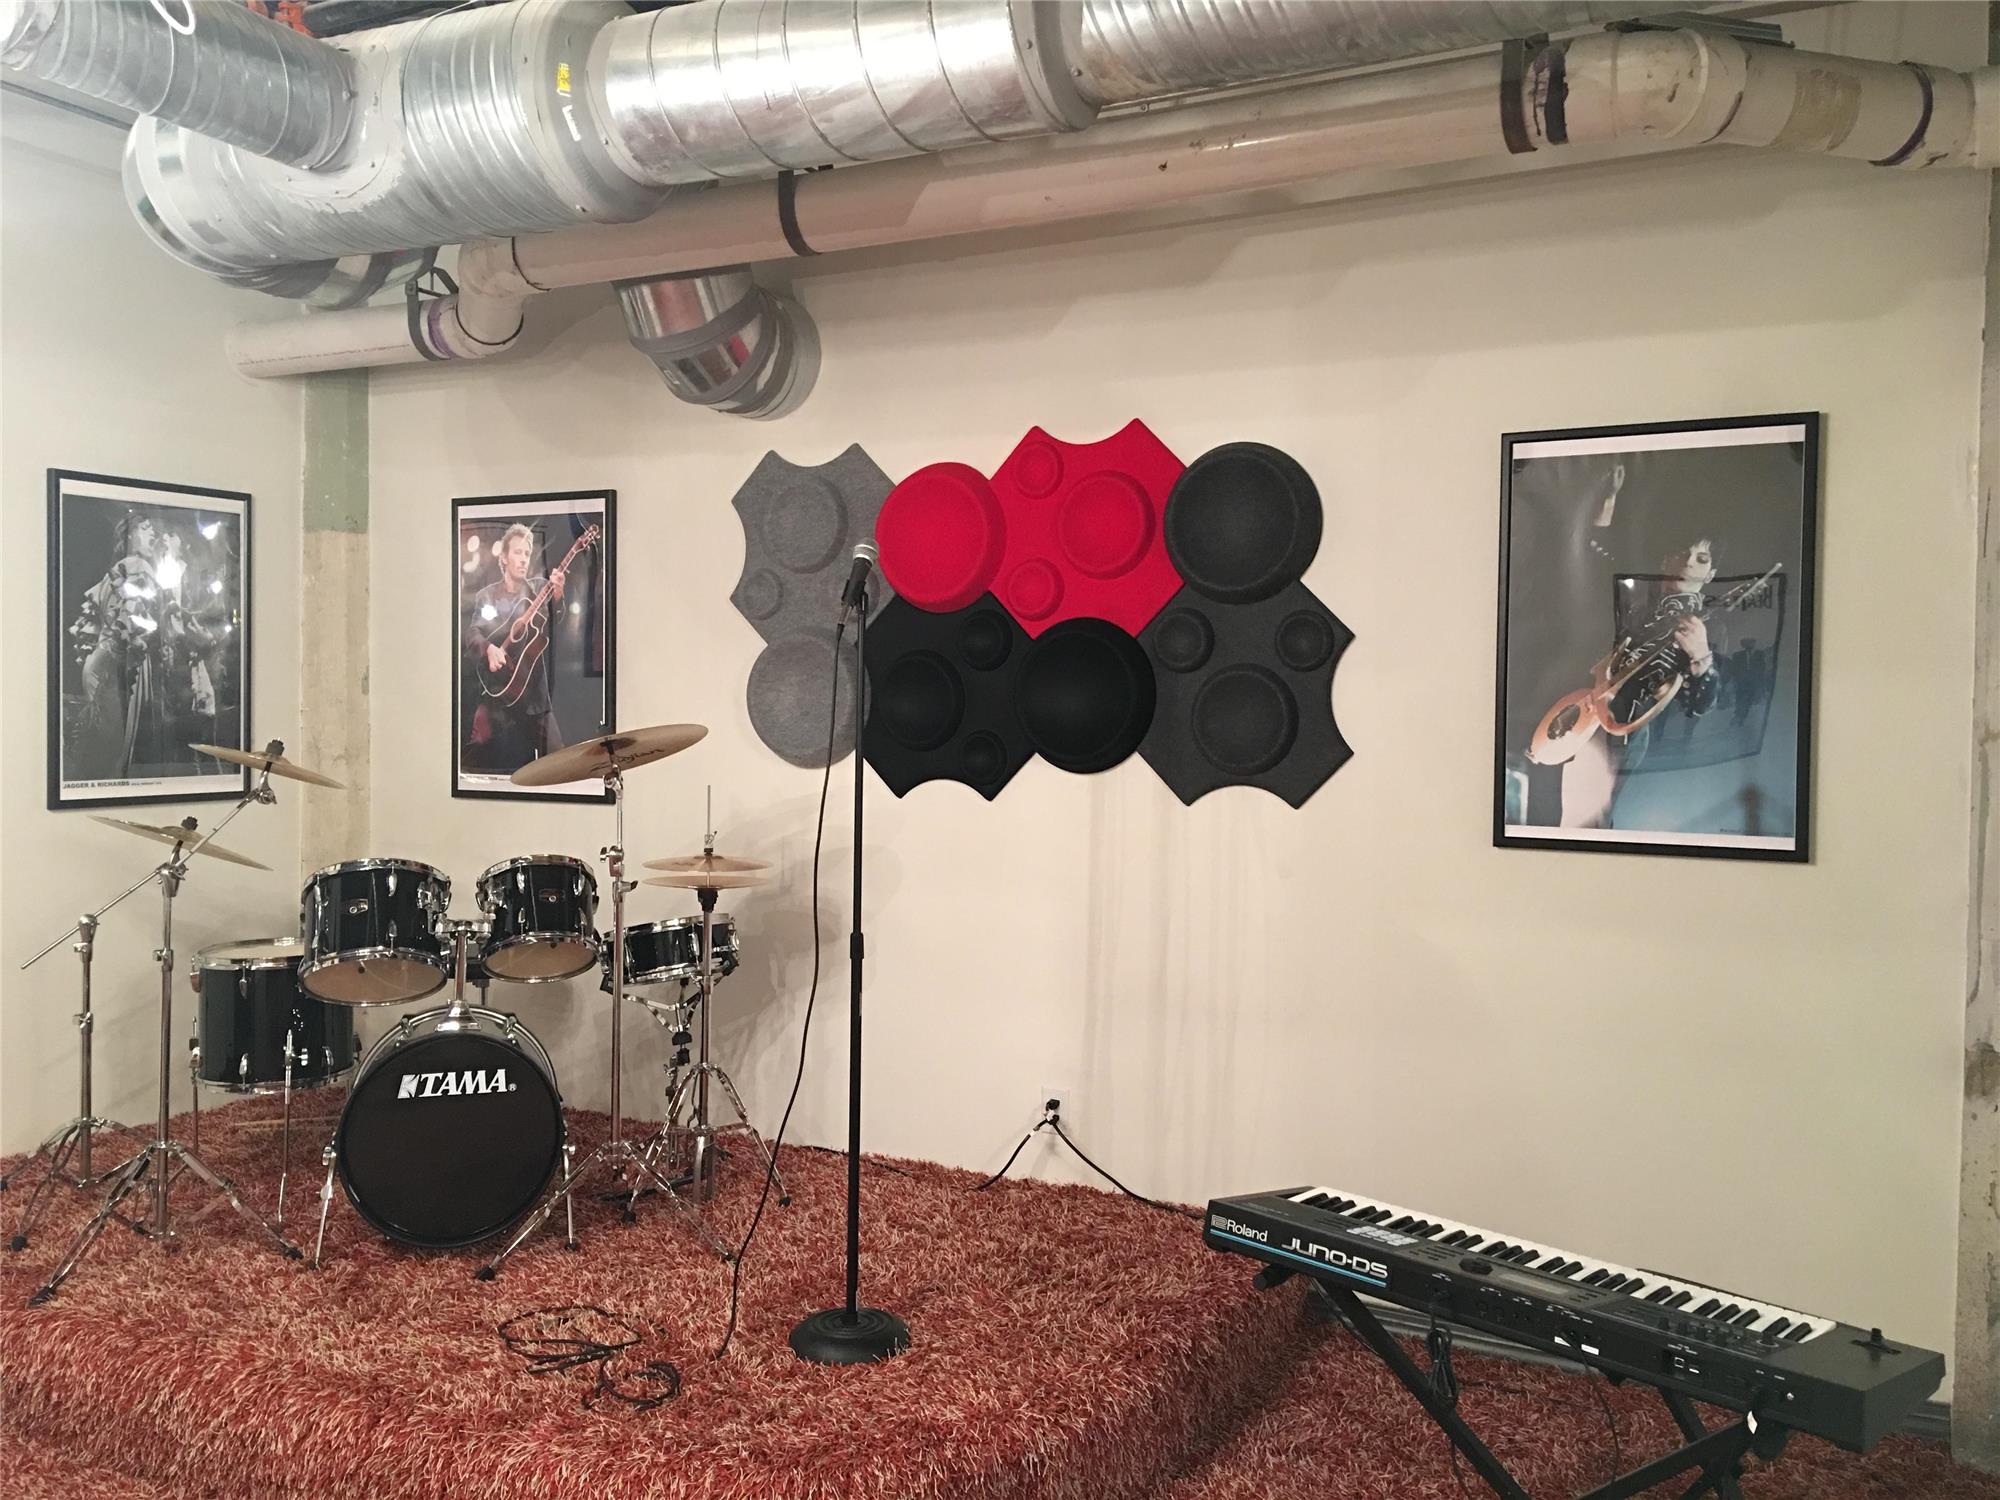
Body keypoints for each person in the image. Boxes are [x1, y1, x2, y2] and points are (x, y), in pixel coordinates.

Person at [1555, 537, 1722, 828]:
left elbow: (1700, 706)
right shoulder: (1633, 604)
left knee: (1587, 819)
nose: (1688, 562)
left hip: (1625, 729)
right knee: (1555, 808)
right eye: (1683, 553)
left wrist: (1701, 656)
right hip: (1579, 709)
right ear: (1665, 561)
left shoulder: (1710, 627)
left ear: (1710, 575)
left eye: (1701, 558)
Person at [69, 512, 171, 780]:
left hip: (99, 664)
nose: (153, 534)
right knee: (120, 752)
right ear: (129, 536)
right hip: (119, 666)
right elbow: (132, 628)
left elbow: (94, 627)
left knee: (106, 746)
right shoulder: (137, 566)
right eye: (145, 528)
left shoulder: (114, 572)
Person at [464, 523, 567, 769]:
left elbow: (557, 627)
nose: (523, 559)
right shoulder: (486, 596)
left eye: (527, 554)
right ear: (504, 557)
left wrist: (558, 597)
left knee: (559, 764)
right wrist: (488, 649)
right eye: (517, 552)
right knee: (484, 761)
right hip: (499, 697)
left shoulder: (540, 589)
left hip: (535, 698)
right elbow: (472, 632)